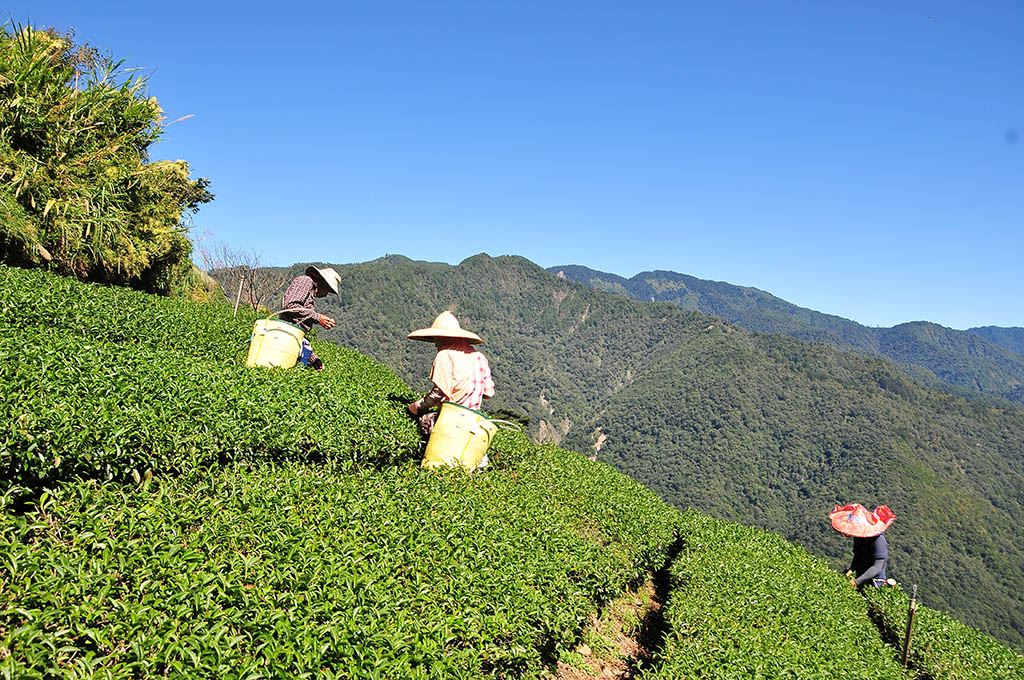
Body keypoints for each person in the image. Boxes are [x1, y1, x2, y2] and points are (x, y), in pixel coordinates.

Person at [406, 311, 494, 435]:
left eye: (436, 338)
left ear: (444, 337)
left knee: (424, 423)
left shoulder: (444, 355)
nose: (435, 343)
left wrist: (417, 406)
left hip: (451, 421)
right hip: (473, 423)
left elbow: (439, 393)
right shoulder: (480, 357)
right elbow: (489, 393)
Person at [279, 265, 341, 371]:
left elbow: (299, 332)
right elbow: (290, 306)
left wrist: (314, 359)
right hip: (284, 336)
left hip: (292, 337)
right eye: (327, 290)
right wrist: (318, 318)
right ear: (322, 283)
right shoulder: (305, 281)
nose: (326, 295)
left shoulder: (310, 292)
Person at [828, 503, 895, 589]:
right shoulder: (858, 538)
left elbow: (877, 567)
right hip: (859, 579)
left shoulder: (878, 541)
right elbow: (857, 558)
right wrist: (851, 570)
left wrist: (856, 581)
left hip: (874, 583)